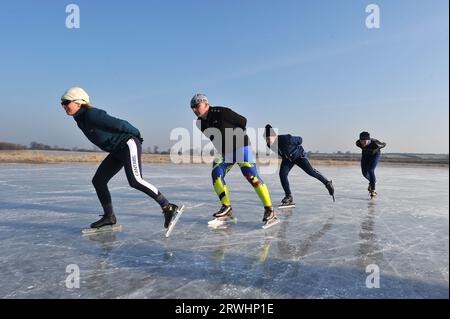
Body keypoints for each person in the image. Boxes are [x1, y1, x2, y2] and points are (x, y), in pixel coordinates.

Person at [60, 87, 181, 229]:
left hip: (127, 144)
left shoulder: (92, 114)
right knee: (98, 181)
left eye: (66, 102)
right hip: (116, 150)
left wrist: (136, 135)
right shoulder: (79, 120)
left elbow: (120, 123)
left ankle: (168, 206)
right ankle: (109, 216)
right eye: (62, 103)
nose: (64, 106)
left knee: (135, 180)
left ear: (79, 102)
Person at [190, 93, 278, 227]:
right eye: (192, 108)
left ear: (206, 104)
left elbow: (243, 121)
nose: (195, 109)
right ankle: (226, 208)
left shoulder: (221, 112)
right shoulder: (199, 123)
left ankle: (269, 209)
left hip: (240, 146)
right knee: (216, 174)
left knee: (251, 175)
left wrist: (234, 136)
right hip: (225, 152)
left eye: (197, 106)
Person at [264, 124, 335, 206]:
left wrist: (297, 149)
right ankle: (289, 196)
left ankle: (327, 183)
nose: (268, 141)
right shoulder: (269, 145)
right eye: (266, 139)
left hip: (299, 156)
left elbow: (300, 139)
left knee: (311, 172)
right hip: (288, 159)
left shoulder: (286, 139)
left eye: (269, 138)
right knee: (282, 174)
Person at [356, 131, 386, 198]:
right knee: (364, 173)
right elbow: (361, 143)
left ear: (368, 139)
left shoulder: (376, 144)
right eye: (361, 141)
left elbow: (384, 144)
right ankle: (372, 181)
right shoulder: (358, 143)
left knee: (370, 170)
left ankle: (373, 190)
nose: (362, 143)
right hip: (365, 156)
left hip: (375, 155)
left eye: (364, 141)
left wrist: (383, 143)